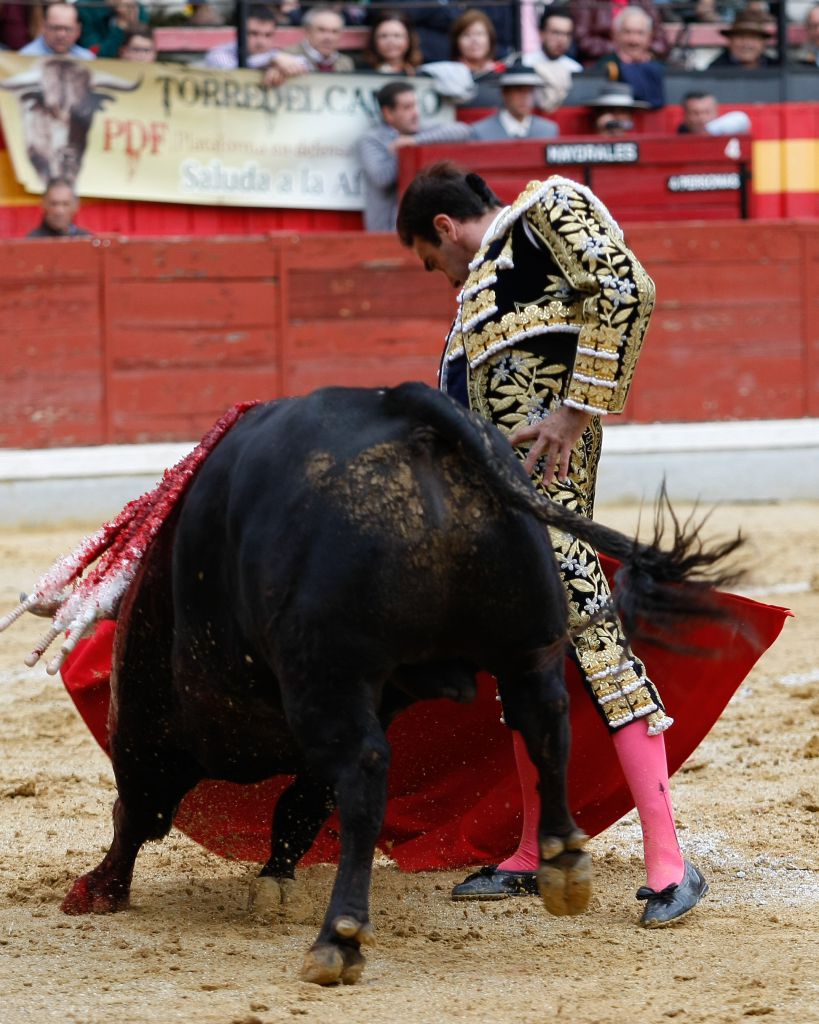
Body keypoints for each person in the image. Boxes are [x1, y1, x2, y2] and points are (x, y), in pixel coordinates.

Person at [396, 161, 709, 927]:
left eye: (430, 262)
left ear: (442, 226)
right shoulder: (481, 288)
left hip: (551, 502)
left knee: (597, 651)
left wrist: (574, 412)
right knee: (522, 662)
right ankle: (535, 850)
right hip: (499, 508)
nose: (441, 279)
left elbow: (625, 288)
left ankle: (669, 862)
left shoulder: (549, 206)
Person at [356, 81, 471, 232]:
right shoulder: (371, 140)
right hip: (387, 231)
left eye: (415, 105)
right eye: (407, 107)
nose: (415, 112)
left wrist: (413, 141)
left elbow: (463, 131)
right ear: (388, 113)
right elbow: (381, 178)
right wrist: (403, 153)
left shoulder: (420, 133)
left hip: (425, 226)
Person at [596, 5, 666, 108]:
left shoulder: (661, 68)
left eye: (640, 33)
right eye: (627, 32)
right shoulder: (604, 66)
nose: (634, 40)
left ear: (650, 36)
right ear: (616, 35)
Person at [470, 64, 559, 140]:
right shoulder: (480, 132)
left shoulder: (548, 131)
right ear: (504, 93)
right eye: (518, 90)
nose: (525, 97)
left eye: (530, 91)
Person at [522, 6, 583, 112]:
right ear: (541, 34)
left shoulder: (576, 69)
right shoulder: (525, 64)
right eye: (556, 33)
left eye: (567, 34)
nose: (562, 40)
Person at [570, 0, 671, 64]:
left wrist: (645, 52)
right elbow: (583, 40)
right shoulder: (587, 2)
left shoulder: (643, 2)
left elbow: (660, 41)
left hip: (642, 62)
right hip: (601, 63)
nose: (633, 40)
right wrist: (619, 51)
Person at [284, 5, 354, 71]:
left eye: (334, 31)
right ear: (308, 31)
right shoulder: (287, 57)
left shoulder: (345, 62)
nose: (329, 38)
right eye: (321, 30)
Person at [19, 1, 95, 59]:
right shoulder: (25, 58)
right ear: (44, 27)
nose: (61, 35)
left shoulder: (87, 59)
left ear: (78, 30)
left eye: (68, 29)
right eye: (55, 28)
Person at [358, 9, 423, 74]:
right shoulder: (362, 72)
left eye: (397, 35)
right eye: (384, 36)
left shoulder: (421, 71)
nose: (391, 42)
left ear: (409, 39)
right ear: (374, 40)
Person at [77, 0, 149, 58]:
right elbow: (95, 54)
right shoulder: (86, 8)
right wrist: (121, 25)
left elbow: (143, 51)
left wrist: (133, 24)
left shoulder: (136, 8)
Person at [708, 9, 776, 68]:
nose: (746, 43)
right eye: (740, 37)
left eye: (753, 37)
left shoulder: (776, 67)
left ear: (763, 42)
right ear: (730, 40)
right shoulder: (715, 70)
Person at [26, 178, 92, 238]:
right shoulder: (32, 242)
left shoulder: (86, 240)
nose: (59, 211)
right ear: (43, 205)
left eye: (65, 204)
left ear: (75, 206)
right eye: (54, 204)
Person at [677, 91, 751, 134]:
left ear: (716, 113)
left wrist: (709, 130)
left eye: (707, 112)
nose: (701, 118)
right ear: (685, 115)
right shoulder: (679, 136)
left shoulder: (726, 131)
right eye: (695, 113)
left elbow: (742, 118)